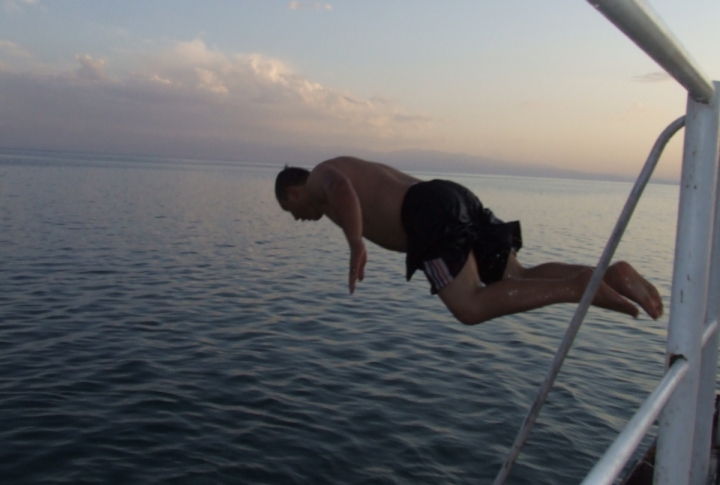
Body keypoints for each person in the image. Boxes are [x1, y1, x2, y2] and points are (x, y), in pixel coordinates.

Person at [275, 156, 663, 325]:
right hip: (450, 197)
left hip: (426, 214)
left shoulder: (319, 178)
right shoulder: (344, 178)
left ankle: (576, 287)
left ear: (292, 192)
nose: (298, 219)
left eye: (291, 211)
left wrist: (356, 242)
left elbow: (341, 188)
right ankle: (608, 275)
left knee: (470, 307)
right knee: (518, 277)